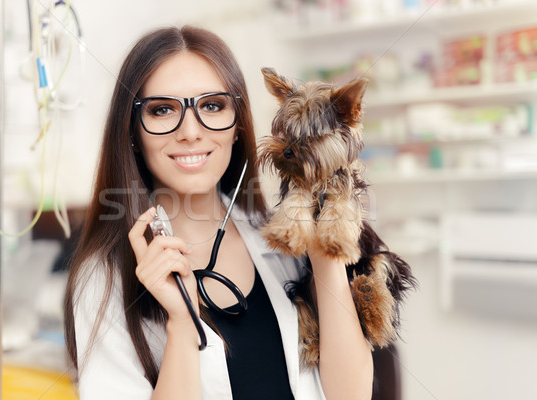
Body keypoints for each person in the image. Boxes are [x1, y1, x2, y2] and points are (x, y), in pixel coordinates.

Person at [63, 25, 373, 400]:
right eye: (163, 110)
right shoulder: (104, 279)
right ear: (133, 130)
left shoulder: (279, 241)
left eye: (212, 106)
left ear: (238, 125)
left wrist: (326, 254)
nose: (191, 132)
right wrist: (181, 323)